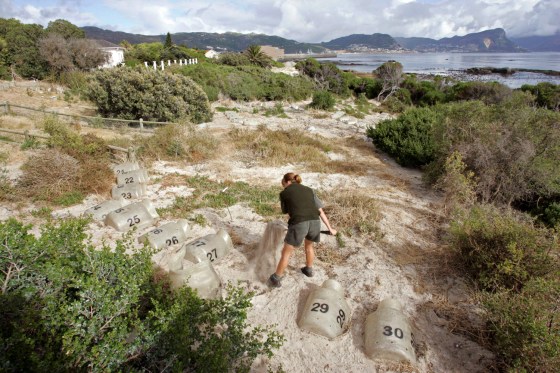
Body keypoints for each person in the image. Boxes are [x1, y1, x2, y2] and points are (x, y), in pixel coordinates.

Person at [269, 172, 337, 288]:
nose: (282, 184)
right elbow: (320, 211)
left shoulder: (284, 193)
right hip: (315, 222)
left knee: (286, 252)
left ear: (287, 182)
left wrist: (293, 226)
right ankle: (309, 270)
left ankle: (276, 278)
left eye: (283, 181)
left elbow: (290, 212)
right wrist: (330, 228)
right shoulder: (309, 190)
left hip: (300, 223)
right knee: (309, 246)